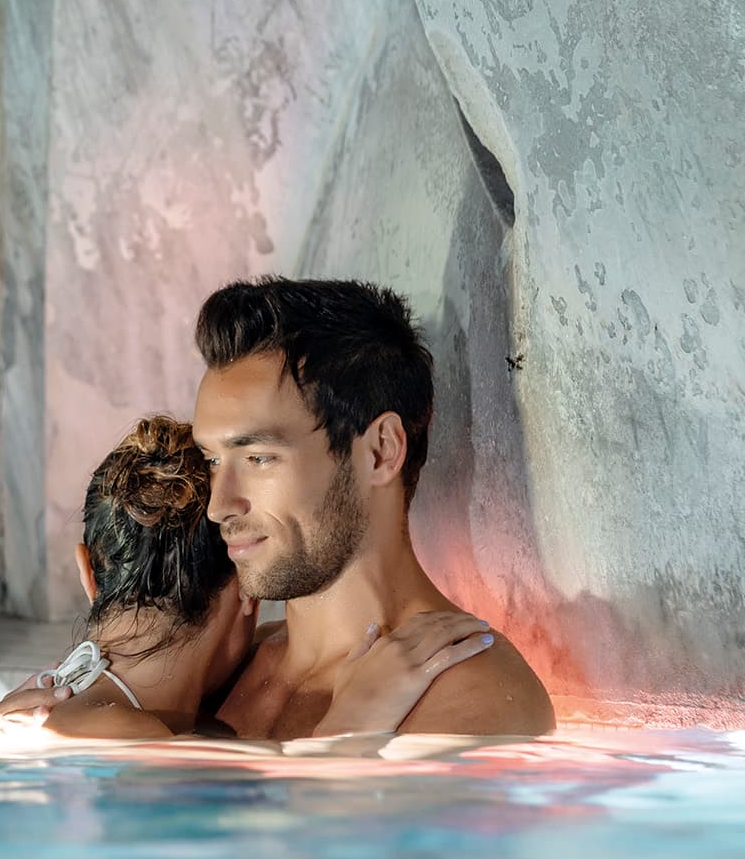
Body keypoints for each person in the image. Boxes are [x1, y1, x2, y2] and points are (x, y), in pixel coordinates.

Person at [191, 276, 555, 737]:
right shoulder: (223, 671)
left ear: (381, 451)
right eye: (212, 460)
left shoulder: (471, 699)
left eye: (259, 458)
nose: (219, 506)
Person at [0, 414, 497, 741]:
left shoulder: (28, 717)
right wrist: (352, 724)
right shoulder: (132, 742)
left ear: (88, 573)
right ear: (247, 582)